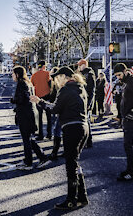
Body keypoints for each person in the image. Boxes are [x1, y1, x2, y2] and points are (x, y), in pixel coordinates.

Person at [30, 66, 89, 211]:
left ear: (64, 76)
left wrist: (39, 101)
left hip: (72, 128)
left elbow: (54, 109)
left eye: (57, 77)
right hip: (83, 127)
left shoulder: (65, 90)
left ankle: (71, 200)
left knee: (71, 165)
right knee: (75, 162)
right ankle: (82, 197)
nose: (56, 81)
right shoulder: (81, 88)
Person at [11, 66, 50, 170]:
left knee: (26, 139)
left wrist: (13, 100)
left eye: (13, 73)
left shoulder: (21, 84)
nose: (12, 75)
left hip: (25, 115)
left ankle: (29, 162)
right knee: (29, 139)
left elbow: (21, 99)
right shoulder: (27, 83)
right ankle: (41, 157)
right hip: (30, 113)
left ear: (18, 74)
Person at [30, 60, 52, 140]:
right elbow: (51, 85)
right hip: (47, 97)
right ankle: (49, 134)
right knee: (49, 117)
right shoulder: (48, 74)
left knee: (39, 117)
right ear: (44, 66)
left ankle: (40, 134)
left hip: (38, 98)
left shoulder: (34, 75)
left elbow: (32, 86)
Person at [77, 59, 95, 148]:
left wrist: (89, 104)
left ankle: (88, 141)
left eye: (79, 65)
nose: (78, 67)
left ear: (83, 65)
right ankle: (87, 141)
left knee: (86, 122)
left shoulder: (89, 75)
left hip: (86, 101)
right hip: (85, 101)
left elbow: (91, 91)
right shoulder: (86, 74)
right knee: (85, 121)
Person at [48, 67, 62, 161]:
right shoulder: (56, 85)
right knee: (57, 129)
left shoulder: (63, 88)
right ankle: (55, 151)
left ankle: (55, 152)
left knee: (58, 130)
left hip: (62, 112)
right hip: (57, 108)